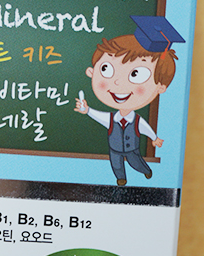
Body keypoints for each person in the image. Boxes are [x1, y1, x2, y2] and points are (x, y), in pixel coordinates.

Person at [75, 33, 178, 185]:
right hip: (114, 149)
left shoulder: (136, 121)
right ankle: (121, 178)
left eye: (136, 74)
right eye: (106, 69)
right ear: (92, 72)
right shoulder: (111, 119)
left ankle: (146, 170)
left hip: (132, 150)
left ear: (160, 87)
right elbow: (99, 116)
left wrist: (154, 138)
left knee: (135, 162)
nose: (117, 82)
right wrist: (87, 110)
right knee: (116, 164)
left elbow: (145, 128)